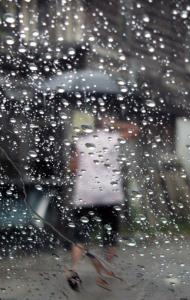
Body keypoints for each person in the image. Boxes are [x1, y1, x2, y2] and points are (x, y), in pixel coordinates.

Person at [65, 116, 139, 291]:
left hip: (85, 194)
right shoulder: (113, 138)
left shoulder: (81, 141)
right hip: (109, 195)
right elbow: (135, 129)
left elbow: (73, 167)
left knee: (79, 235)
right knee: (110, 236)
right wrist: (116, 124)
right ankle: (104, 273)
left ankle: (75, 270)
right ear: (106, 125)